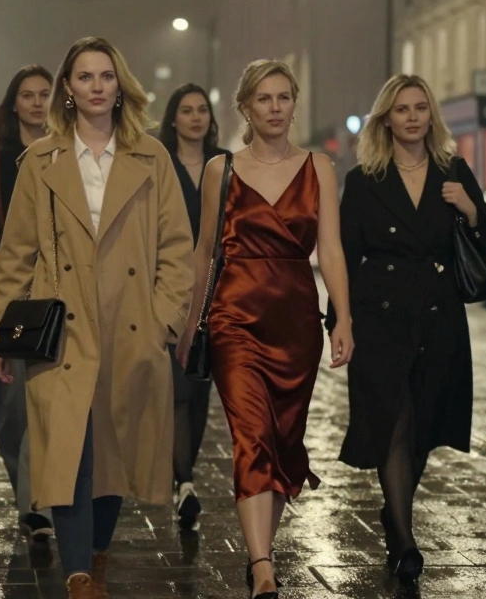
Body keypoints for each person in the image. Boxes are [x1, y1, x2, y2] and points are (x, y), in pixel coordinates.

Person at [0, 37, 193, 599]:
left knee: (113, 454)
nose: (96, 86)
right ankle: (78, 574)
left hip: (131, 326)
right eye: (85, 77)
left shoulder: (153, 158)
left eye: (106, 76)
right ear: (68, 89)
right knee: (68, 451)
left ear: (120, 86)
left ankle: (96, 557)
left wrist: (162, 319)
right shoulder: (41, 161)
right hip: (64, 329)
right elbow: (16, 253)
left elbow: (178, 248)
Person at [177, 59, 353, 599]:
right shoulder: (221, 169)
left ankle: (262, 555)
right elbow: (205, 253)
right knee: (251, 437)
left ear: (293, 104)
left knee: (282, 441)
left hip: (296, 320)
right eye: (264, 99)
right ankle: (262, 568)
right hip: (234, 317)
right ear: (245, 108)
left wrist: (343, 316)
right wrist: (190, 323)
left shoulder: (319, 167)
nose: (275, 108)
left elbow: (331, 249)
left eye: (283, 98)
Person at [332, 74, 486, 583]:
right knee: (395, 422)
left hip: (438, 316)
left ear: (431, 116)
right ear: (386, 118)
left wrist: (469, 209)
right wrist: (339, 320)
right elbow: (345, 253)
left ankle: (395, 508)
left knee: (425, 425)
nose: (411, 117)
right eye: (402, 109)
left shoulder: (454, 171)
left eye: (420, 108)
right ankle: (405, 541)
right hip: (380, 320)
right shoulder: (365, 179)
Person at [0, 64, 55, 541]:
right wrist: (1, 257)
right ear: (14, 103)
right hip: (13, 299)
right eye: (28, 95)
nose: (37, 103)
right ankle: (29, 495)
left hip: (61, 296)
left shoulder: (69, 153)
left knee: (51, 404)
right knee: (10, 408)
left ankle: (38, 504)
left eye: (45, 93)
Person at [157, 82, 230, 529]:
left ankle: (185, 473)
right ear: (173, 118)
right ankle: (183, 482)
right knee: (180, 387)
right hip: (172, 286)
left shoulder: (226, 163)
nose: (196, 117)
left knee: (201, 386)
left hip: (221, 287)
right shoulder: (159, 163)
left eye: (202, 109)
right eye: (187, 110)